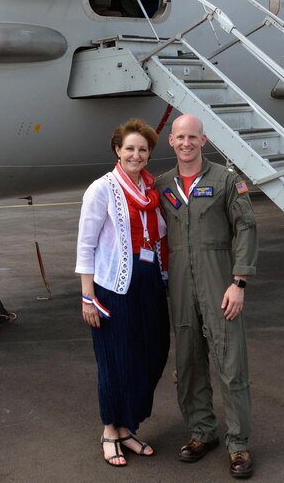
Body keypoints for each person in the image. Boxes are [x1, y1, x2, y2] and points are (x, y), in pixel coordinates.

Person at [158, 114, 258, 479]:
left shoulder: (226, 181)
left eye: (193, 137)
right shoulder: (162, 185)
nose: (186, 143)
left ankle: (238, 444)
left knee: (231, 365)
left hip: (220, 285)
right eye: (180, 137)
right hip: (181, 286)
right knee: (188, 364)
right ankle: (202, 433)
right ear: (171, 141)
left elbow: (246, 227)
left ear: (204, 140)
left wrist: (239, 281)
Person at [75, 118, 171, 468]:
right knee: (115, 360)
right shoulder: (102, 189)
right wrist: (88, 296)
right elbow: (86, 246)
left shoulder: (151, 190)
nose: (136, 154)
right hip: (113, 284)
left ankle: (129, 425)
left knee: (153, 353)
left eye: (142, 149)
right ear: (117, 150)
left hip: (149, 281)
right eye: (129, 148)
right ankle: (109, 431)